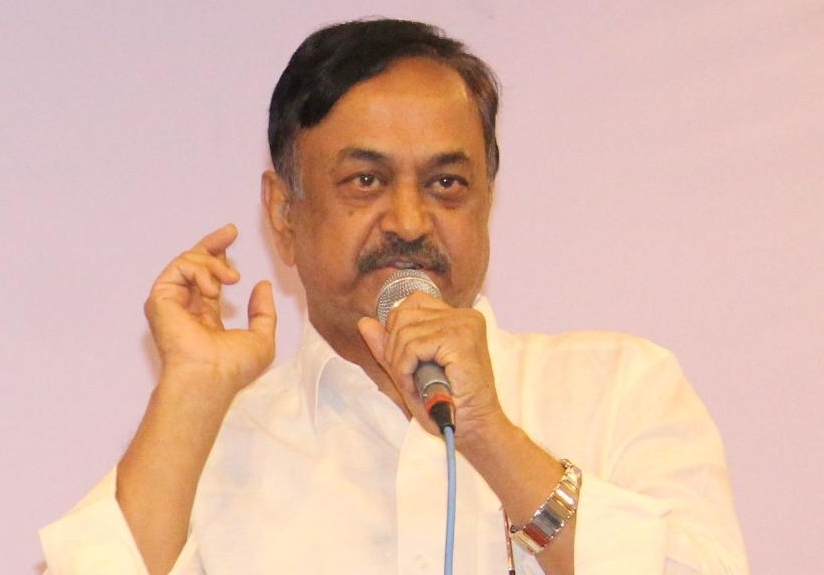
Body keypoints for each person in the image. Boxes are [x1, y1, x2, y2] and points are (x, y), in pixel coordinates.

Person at [39, 18, 748, 575]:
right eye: (366, 182)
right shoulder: (209, 447)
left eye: (446, 184)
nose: (409, 222)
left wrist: (491, 437)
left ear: (486, 203)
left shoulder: (619, 388)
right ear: (283, 215)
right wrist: (191, 392)